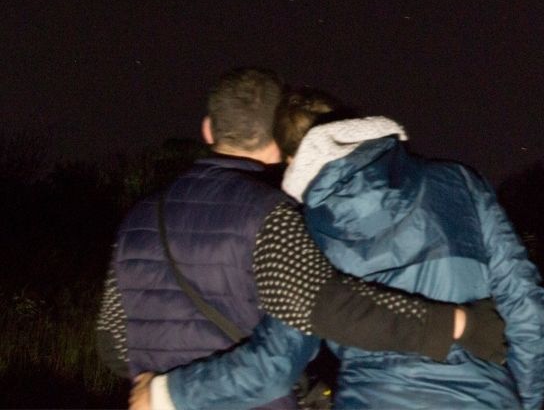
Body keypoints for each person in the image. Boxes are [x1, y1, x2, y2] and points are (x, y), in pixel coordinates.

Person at [101, 68, 506, 410]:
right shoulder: (274, 215)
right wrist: (457, 323)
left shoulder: (138, 218)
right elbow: (330, 309)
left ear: (208, 129)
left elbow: (113, 346)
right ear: (281, 137)